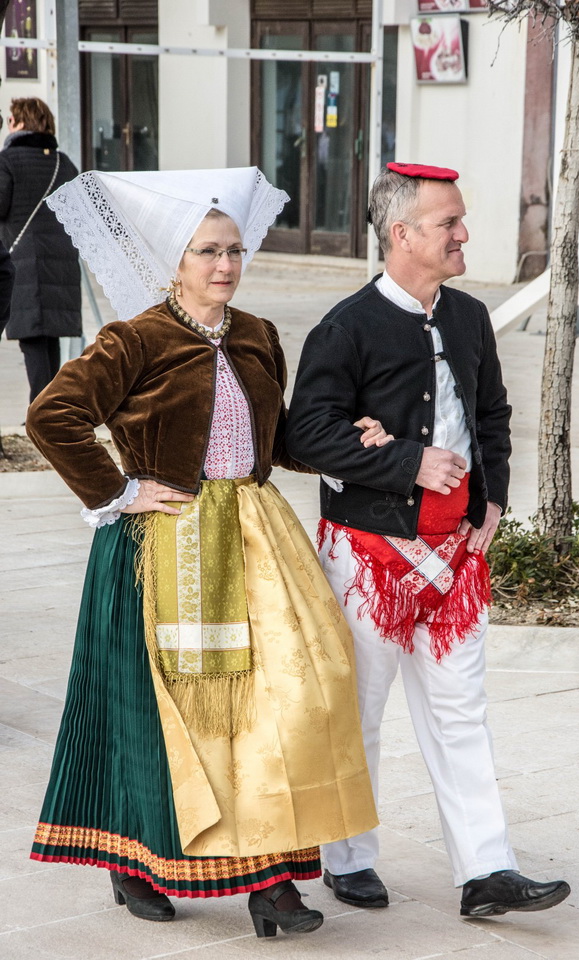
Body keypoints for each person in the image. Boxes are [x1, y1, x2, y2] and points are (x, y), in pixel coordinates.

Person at [26, 166, 381, 939]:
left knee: (286, 705)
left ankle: (276, 883)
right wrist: (119, 491)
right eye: (205, 251)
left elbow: (278, 439)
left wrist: (348, 438)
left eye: (232, 249)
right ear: (173, 261)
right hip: (163, 549)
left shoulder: (257, 335)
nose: (224, 264)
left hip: (257, 540)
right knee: (161, 715)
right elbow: (52, 415)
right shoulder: (134, 339)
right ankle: (136, 861)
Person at [286, 162, 571, 918]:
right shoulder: (345, 326)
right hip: (368, 557)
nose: (464, 234)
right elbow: (305, 432)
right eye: (449, 223)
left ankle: (485, 870)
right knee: (360, 710)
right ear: (401, 234)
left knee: (460, 712)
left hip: (457, 561)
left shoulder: (471, 317)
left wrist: (495, 498)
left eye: (460, 219)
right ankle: (347, 858)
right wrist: (407, 462)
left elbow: (493, 416)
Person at [0, 97, 81, 403]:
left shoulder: (6, 161)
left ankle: (41, 414)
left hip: (24, 262)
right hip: (60, 264)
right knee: (49, 341)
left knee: (33, 340)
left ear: (20, 123)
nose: (8, 125)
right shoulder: (63, 162)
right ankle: (51, 411)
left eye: (11, 119)